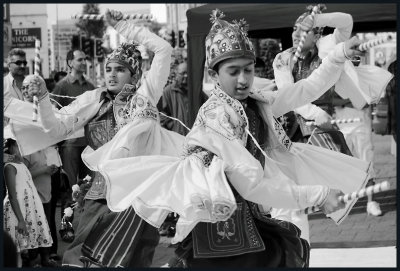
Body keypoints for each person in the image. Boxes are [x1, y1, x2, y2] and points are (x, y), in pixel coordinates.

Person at [83, 9, 371, 268]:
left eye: (248, 69)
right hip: (218, 224)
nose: (244, 79)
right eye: (233, 72)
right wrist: (317, 194)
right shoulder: (216, 117)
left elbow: (306, 89)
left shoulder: (254, 101)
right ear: (214, 74)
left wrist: (338, 56)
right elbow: (251, 182)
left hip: (245, 217)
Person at [5, 9, 183, 267]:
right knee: (84, 257)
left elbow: (164, 50)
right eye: (108, 69)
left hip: (136, 195)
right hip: (99, 194)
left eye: (120, 70)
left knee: (131, 260)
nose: (111, 74)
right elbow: (56, 129)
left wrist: (124, 26)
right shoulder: (93, 99)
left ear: (135, 75)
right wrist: (43, 97)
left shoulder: (145, 97)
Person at [272, 6, 392, 225]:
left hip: (337, 116)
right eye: (295, 29)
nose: (296, 34)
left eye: (304, 30)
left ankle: (368, 200)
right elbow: (288, 94)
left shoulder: (327, 47)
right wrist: (315, 113)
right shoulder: (283, 59)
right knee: (296, 176)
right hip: (297, 123)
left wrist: (317, 17)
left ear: (317, 34)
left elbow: (346, 21)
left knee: (357, 161)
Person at [3, 138, 54, 267]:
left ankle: (28, 262)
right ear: (11, 148)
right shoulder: (10, 167)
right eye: (18, 146)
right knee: (16, 247)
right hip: (17, 211)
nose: (22, 149)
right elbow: (12, 196)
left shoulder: (22, 165)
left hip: (27, 208)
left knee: (25, 243)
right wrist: (20, 220)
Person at [51, 50, 95, 190]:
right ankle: (68, 212)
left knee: (87, 185)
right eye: (80, 60)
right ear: (70, 63)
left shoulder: (90, 86)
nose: (83, 62)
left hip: (88, 144)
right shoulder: (62, 86)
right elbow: (53, 112)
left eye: (84, 59)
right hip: (70, 144)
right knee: (71, 187)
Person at [158, 61, 190, 136]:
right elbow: (162, 114)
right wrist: (174, 127)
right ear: (176, 74)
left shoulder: (195, 92)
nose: (186, 76)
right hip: (176, 137)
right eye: (183, 73)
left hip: (193, 138)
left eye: (188, 73)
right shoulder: (168, 92)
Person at [4, 48, 27, 126]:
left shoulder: (32, 83)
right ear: (9, 65)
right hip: (9, 135)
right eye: (18, 63)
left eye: (24, 62)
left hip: (31, 133)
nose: (22, 66)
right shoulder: (4, 84)